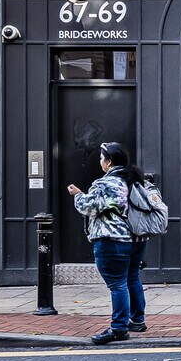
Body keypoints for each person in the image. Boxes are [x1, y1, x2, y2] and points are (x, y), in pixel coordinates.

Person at [69, 141, 150, 345]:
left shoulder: (105, 183)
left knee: (117, 283)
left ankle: (118, 328)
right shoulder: (136, 180)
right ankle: (137, 320)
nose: (100, 162)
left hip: (112, 240)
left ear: (109, 161)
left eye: (101, 158)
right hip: (137, 239)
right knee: (132, 278)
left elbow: (88, 208)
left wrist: (78, 194)